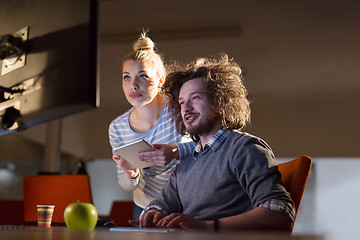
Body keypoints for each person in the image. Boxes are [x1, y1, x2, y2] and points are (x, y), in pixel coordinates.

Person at [136, 54, 296, 232]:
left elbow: (280, 214)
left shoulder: (245, 148)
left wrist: (208, 227)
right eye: (181, 103)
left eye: (195, 98)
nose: (186, 108)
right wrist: (153, 212)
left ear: (220, 102)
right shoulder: (186, 162)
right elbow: (162, 204)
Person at [108, 32, 194, 219]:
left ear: (160, 80)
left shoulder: (180, 109)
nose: (133, 85)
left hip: (187, 202)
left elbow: (210, 146)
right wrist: (130, 173)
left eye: (142, 76)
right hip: (146, 207)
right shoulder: (117, 128)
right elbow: (126, 183)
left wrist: (175, 151)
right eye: (126, 77)